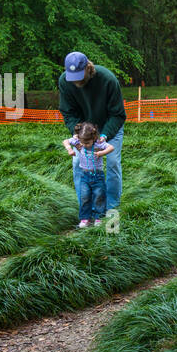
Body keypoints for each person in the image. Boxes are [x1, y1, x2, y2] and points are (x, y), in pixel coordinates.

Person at [58, 51, 126, 214]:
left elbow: (118, 115)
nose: (76, 81)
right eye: (72, 77)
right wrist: (77, 132)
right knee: (77, 164)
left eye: (80, 76)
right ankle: (86, 207)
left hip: (108, 125)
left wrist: (103, 136)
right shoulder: (65, 82)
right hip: (84, 132)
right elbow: (68, 112)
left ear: (89, 68)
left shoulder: (108, 80)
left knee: (112, 162)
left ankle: (111, 207)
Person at [63, 122, 114, 226]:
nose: (84, 145)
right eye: (83, 143)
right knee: (85, 197)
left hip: (98, 176)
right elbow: (65, 141)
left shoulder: (98, 144)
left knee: (99, 196)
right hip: (84, 175)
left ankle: (98, 218)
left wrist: (101, 153)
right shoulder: (78, 140)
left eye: (87, 143)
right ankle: (85, 218)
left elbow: (111, 147)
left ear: (93, 138)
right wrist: (69, 149)